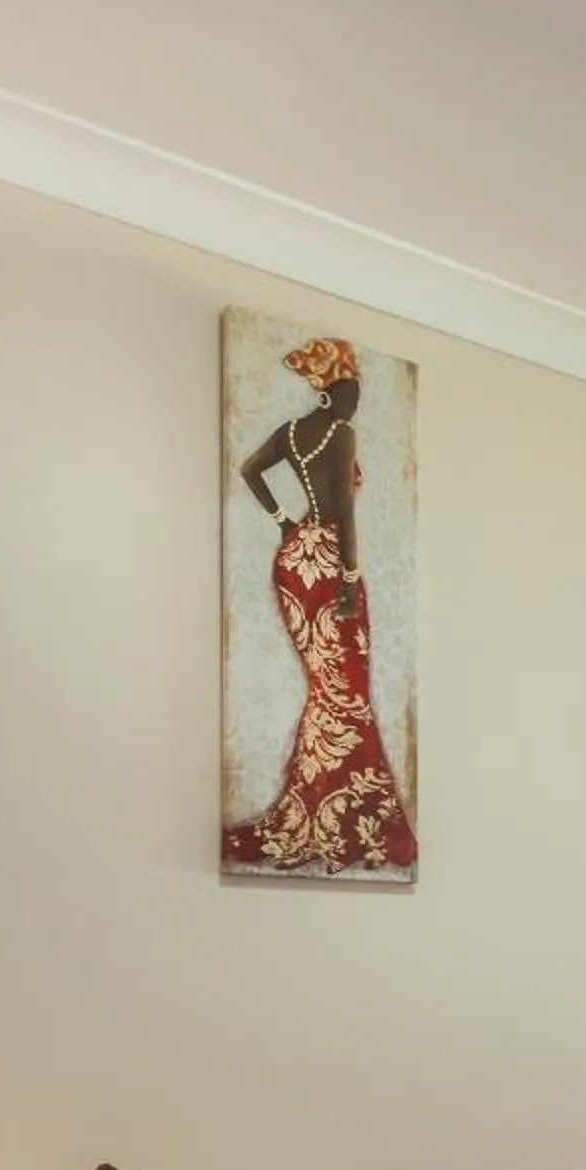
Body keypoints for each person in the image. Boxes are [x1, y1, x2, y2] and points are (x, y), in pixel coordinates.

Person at [225, 335, 418, 875]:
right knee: (346, 690)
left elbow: (249, 471)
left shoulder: (292, 433)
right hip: (331, 563)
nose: (358, 400)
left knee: (329, 687)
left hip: (294, 562)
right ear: (332, 392)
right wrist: (351, 579)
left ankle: (320, 810)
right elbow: (343, 516)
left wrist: (285, 523)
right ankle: (344, 816)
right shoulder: (340, 433)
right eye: (352, 390)